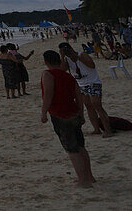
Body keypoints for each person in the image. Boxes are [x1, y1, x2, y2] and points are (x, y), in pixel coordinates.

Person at [40, 50, 94, 188]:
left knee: (72, 149)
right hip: (74, 113)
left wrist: (43, 112)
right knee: (80, 146)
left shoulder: (48, 74)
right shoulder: (69, 77)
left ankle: (83, 180)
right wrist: (81, 113)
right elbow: (79, 96)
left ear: (46, 62)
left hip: (60, 115)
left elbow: (48, 94)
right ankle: (90, 176)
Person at [59, 43, 112, 137]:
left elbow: (92, 65)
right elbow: (62, 70)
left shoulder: (82, 55)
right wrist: (62, 57)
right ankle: (96, 129)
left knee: (97, 106)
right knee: (89, 107)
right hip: (82, 85)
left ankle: (108, 130)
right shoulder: (67, 60)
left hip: (93, 82)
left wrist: (75, 56)